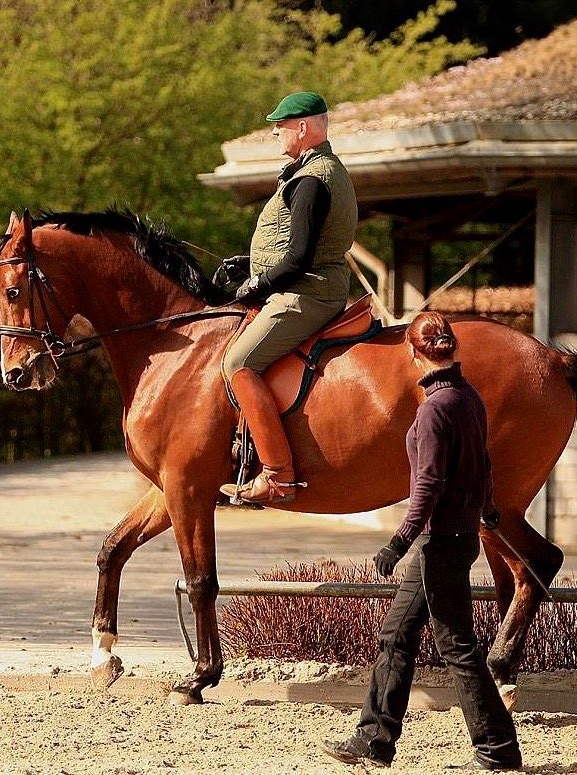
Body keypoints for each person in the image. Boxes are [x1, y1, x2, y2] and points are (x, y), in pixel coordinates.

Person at [322, 311, 522, 771]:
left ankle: (497, 749)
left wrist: (398, 541)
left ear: (413, 353)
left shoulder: (435, 408)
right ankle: (374, 739)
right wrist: (488, 509)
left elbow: (428, 485)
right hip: (455, 537)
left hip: (441, 542)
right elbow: (484, 462)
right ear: (451, 349)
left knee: (456, 644)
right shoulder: (467, 396)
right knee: (396, 635)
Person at [217, 91, 357, 504]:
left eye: (280, 125)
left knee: (238, 363)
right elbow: (299, 246)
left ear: (302, 128)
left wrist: (255, 286)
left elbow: (298, 259)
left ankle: (278, 475)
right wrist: (249, 264)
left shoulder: (312, 179)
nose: (275, 131)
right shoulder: (316, 170)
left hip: (306, 293)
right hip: (309, 284)